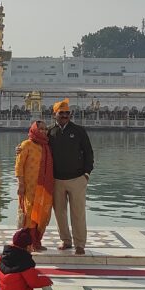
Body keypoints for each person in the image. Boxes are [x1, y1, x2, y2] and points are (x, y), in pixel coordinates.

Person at [48, 99, 94, 255]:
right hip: (57, 179)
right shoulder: (50, 132)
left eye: (67, 113)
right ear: (55, 114)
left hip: (77, 178)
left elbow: (89, 152)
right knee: (60, 213)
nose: (65, 116)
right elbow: (36, 145)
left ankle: (80, 244)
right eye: (62, 113)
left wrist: (86, 174)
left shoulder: (79, 131)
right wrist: (20, 149)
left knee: (78, 212)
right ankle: (66, 240)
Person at [15, 120, 54, 251]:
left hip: (44, 188)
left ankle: (37, 242)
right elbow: (19, 166)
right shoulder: (26, 145)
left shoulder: (47, 146)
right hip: (29, 188)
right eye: (40, 129)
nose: (43, 131)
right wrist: (20, 184)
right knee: (30, 214)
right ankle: (28, 243)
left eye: (45, 129)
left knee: (43, 213)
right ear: (33, 130)